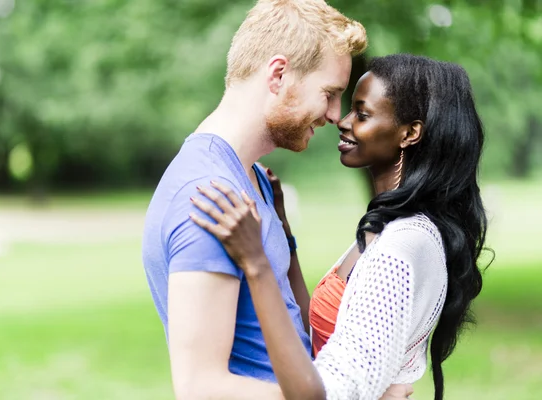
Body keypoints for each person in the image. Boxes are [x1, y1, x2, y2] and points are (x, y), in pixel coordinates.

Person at [141, 0, 411, 398]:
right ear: (279, 74)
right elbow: (201, 388)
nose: (336, 115)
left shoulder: (251, 179)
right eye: (330, 93)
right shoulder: (207, 194)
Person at [190, 54, 490, 400]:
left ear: (410, 133)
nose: (342, 121)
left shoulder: (402, 245)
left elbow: (324, 394)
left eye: (361, 114)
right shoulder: (384, 227)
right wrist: (285, 236)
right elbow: (321, 335)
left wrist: (255, 263)